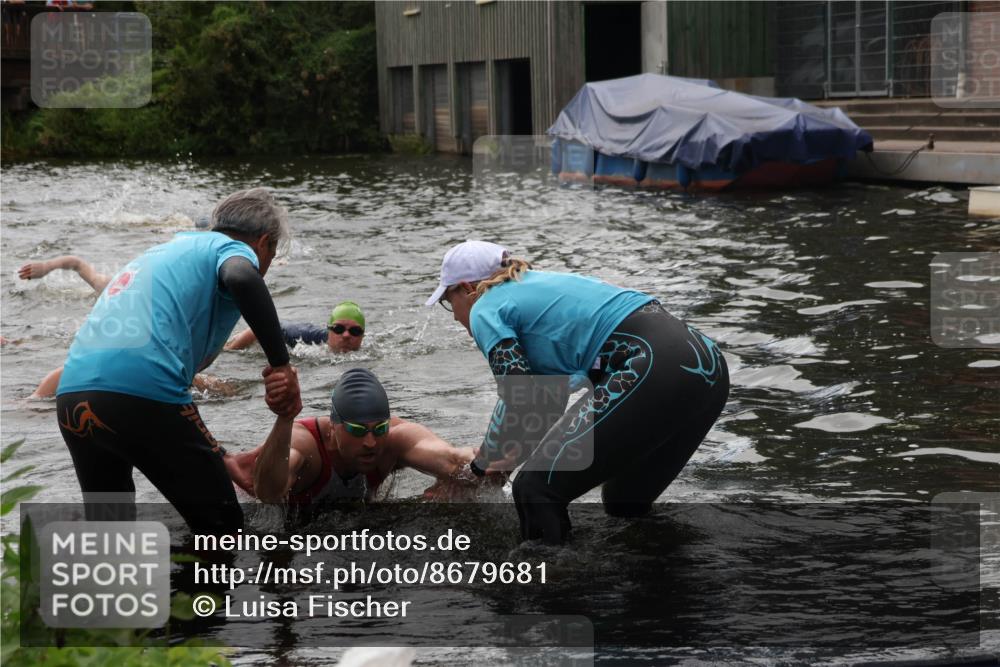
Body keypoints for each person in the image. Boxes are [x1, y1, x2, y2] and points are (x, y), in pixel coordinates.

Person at [425, 240, 730, 545]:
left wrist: (487, 466)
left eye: (448, 302)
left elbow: (522, 396)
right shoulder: (538, 292)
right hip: (708, 365)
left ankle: (548, 586)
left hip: (656, 364)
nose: (454, 316)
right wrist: (489, 466)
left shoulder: (485, 306)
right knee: (624, 502)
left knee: (534, 490)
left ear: (467, 288)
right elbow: (546, 402)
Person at [55, 188, 302, 535]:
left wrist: (218, 455)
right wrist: (280, 365)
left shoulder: (165, 251)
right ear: (262, 242)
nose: (265, 266)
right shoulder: (231, 251)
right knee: (223, 526)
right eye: (271, 255)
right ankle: (199, 591)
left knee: (111, 529)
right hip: (140, 393)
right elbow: (241, 276)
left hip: (73, 395)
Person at [226, 367, 486, 505]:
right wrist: (284, 419)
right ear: (333, 427)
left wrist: (484, 461)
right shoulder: (305, 445)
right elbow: (269, 493)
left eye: (379, 429)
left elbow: (452, 459)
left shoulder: (394, 439)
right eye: (357, 431)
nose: (371, 443)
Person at [18, 255, 236, 399]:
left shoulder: (159, 314)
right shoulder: (115, 288)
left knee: (219, 388)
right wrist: (46, 267)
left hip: (148, 365)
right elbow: (77, 263)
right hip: (101, 359)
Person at [225, 300, 366, 353]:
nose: (346, 335)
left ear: (362, 336)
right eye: (339, 329)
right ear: (329, 330)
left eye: (355, 331)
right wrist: (230, 350)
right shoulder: (301, 336)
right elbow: (261, 327)